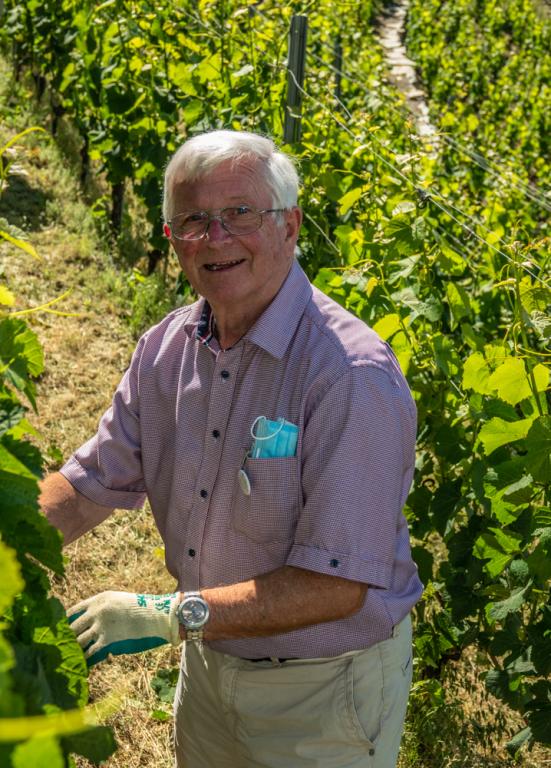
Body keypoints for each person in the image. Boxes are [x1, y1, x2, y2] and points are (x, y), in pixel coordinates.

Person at [40, 129, 423, 768]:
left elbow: (336, 585)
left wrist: (167, 615)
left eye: (240, 213)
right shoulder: (166, 351)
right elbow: (88, 485)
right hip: (211, 660)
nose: (215, 238)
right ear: (171, 239)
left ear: (289, 226)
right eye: (193, 220)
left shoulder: (349, 375)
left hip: (325, 691)